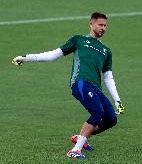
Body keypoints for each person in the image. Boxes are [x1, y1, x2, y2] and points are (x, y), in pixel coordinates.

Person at [12, 12, 125, 159]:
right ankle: (75, 150)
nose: (103, 28)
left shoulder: (106, 51)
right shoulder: (79, 40)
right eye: (100, 25)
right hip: (81, 83)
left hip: (96, 88)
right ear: (91, 24)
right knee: (98, 112)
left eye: (105, 26)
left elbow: (108, 77)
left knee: (111, 119)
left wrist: (117, 100)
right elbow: (53, 55)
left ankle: (81, 138)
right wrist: (26, 58)